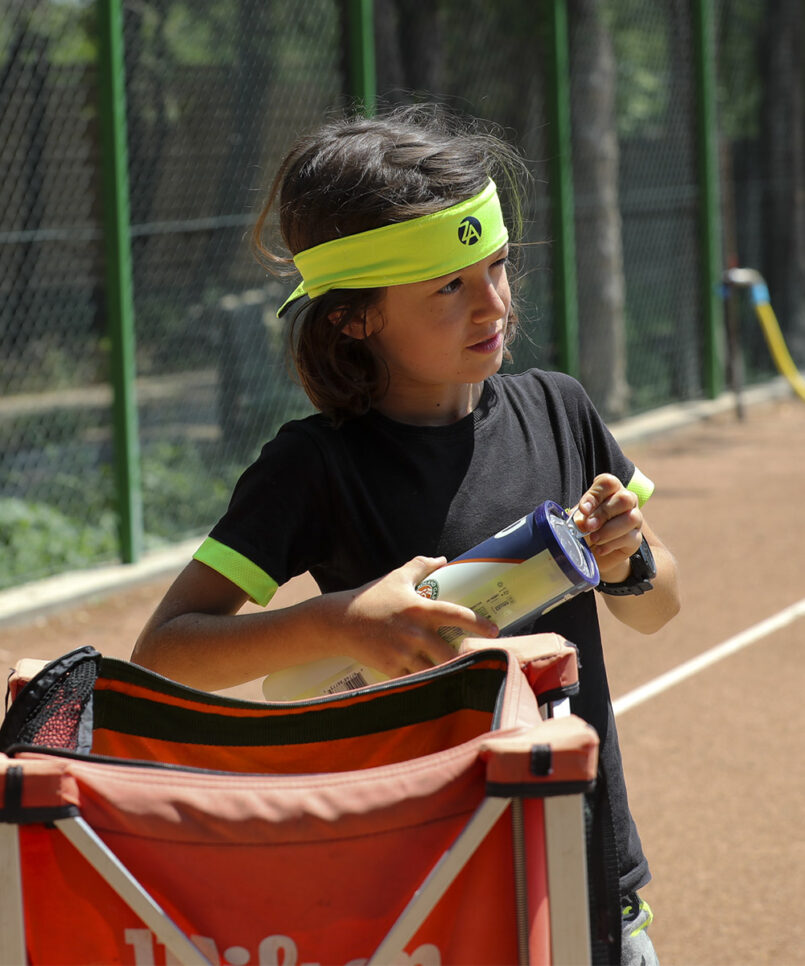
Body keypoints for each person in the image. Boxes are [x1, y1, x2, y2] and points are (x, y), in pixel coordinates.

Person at [132, 104, 680, 964]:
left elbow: (656, 609)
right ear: (354, 317)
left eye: (497, 266)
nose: (492, 303)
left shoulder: (560, 411)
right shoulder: (313, 467)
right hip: (427, 900)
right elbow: (163, 653)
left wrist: (627, 558)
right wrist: (337, 624)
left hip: (590, 882)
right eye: (447, 287)